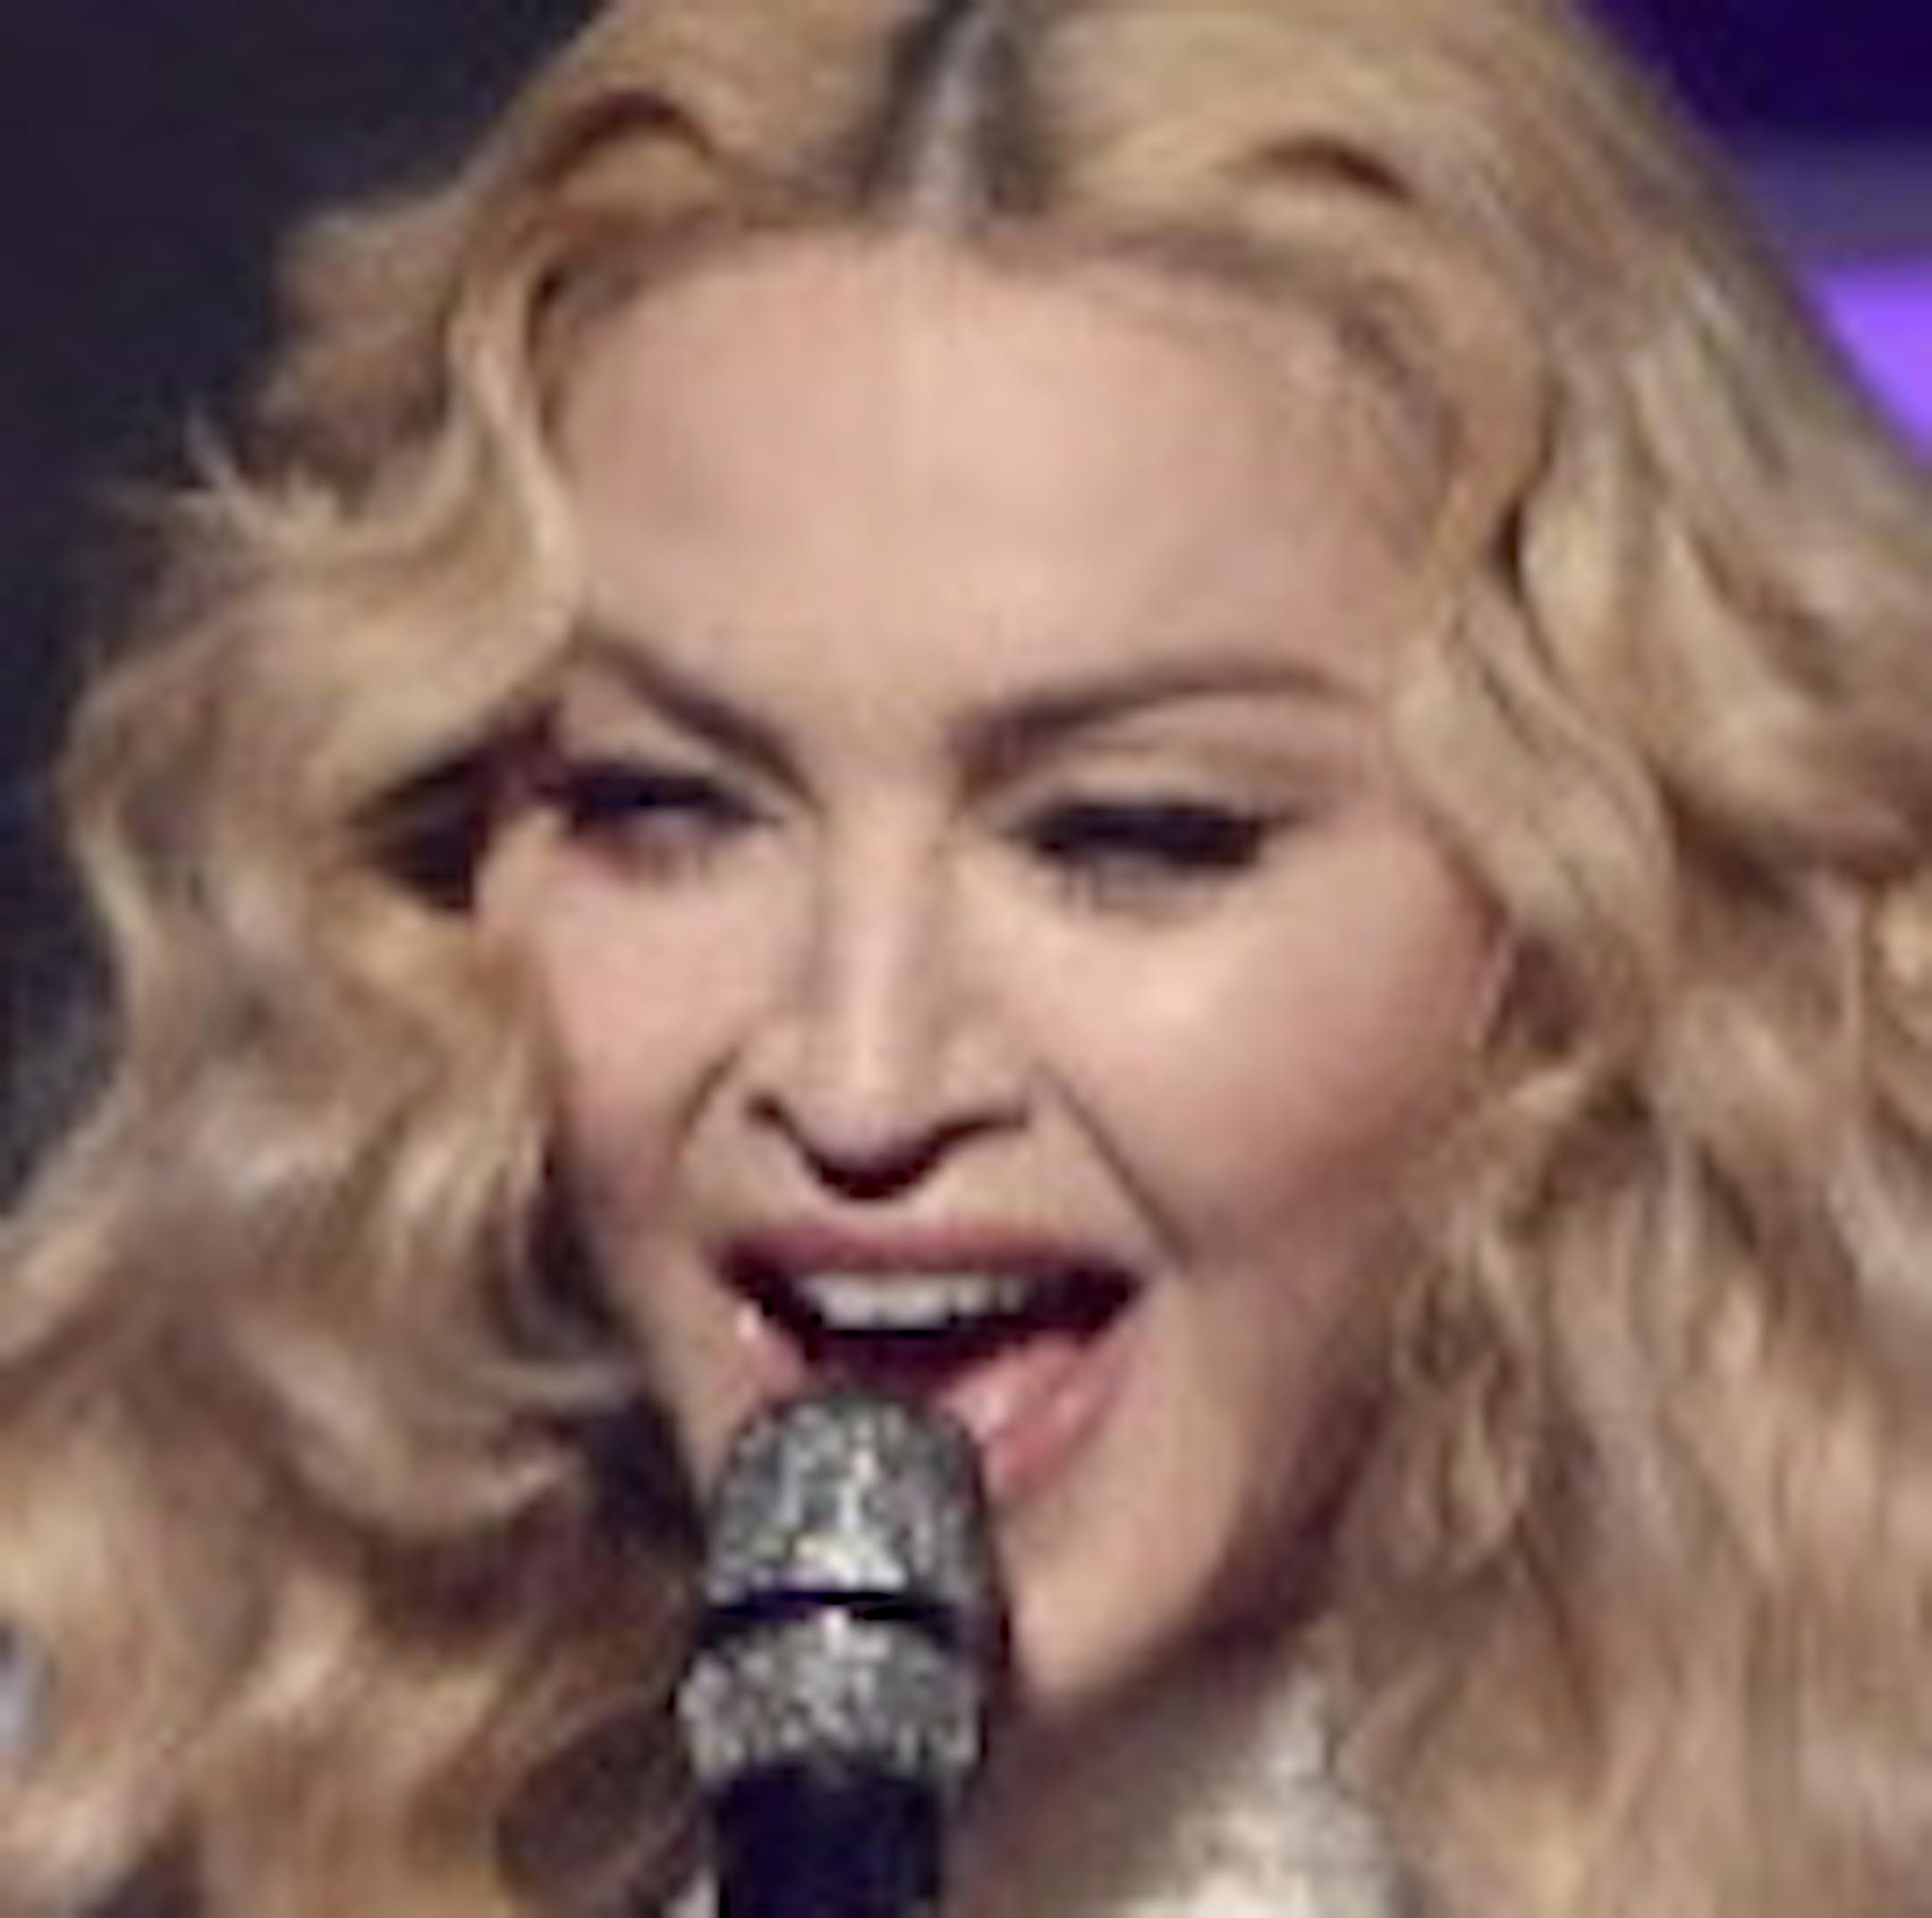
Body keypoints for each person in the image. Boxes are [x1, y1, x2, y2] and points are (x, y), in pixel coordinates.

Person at [4, 0, 1932, 1911]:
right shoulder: (154, 1810)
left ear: (1616, 910)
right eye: (668, 808)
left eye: (1130, 834)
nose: (860, 1078)